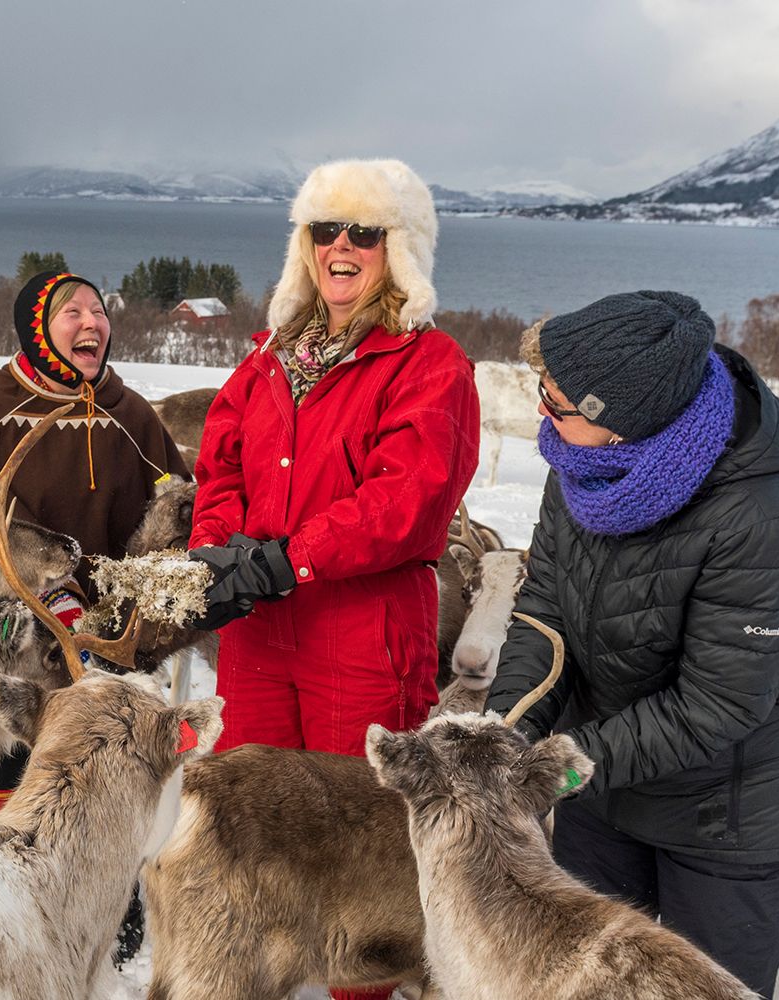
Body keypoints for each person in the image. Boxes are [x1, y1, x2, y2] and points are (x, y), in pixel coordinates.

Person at [483, 290, 779, 998]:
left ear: (624, 421)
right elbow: (546, 608)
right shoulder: (582, 470)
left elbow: (716, 703)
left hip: (734, 819)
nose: (540, 417)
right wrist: (508, 729)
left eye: (555, 404)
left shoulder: (761, 517)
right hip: (607, 790)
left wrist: (561, 769)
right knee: (578, 977)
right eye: (540, 391)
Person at [185, 158, 480, 1000]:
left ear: (401, 250)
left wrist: (290, 557)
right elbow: (223, 464)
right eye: (324, 229)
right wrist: (219, 552)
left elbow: (409, 499)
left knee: (361, 836)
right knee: (249, 817)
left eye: (364, 232)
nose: (340, 247)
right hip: (256, 627)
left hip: (359, 632)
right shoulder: (271, 353)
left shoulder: (431, 363)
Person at [0, 269, 190, 966]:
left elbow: (171, 503)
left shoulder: (129, 412)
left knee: (103, 767)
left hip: (108, 634)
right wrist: (45, 599)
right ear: (36, 328)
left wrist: (160, 585)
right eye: (71, 311)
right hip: (14, 628)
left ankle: (112, 910)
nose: (92, 324)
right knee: (8, 759)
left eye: (98, 310)